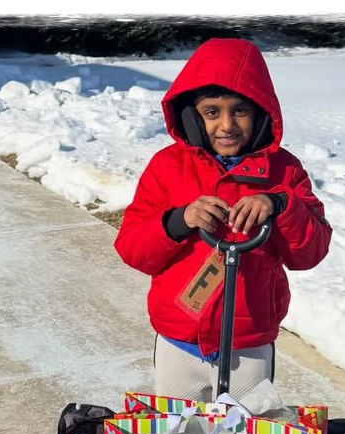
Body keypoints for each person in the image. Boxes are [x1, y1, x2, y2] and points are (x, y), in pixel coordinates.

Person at [114, 37, 332, 401]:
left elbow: (309, 253)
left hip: (249, 342)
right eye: (212, 112)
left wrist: (281, 204)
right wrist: (178, 220)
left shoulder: (283, 171)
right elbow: (133, 248)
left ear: (261, 111)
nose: (227, 125)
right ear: (193, 115)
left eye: (240, 111)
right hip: (179, 339)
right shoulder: (168, 167)